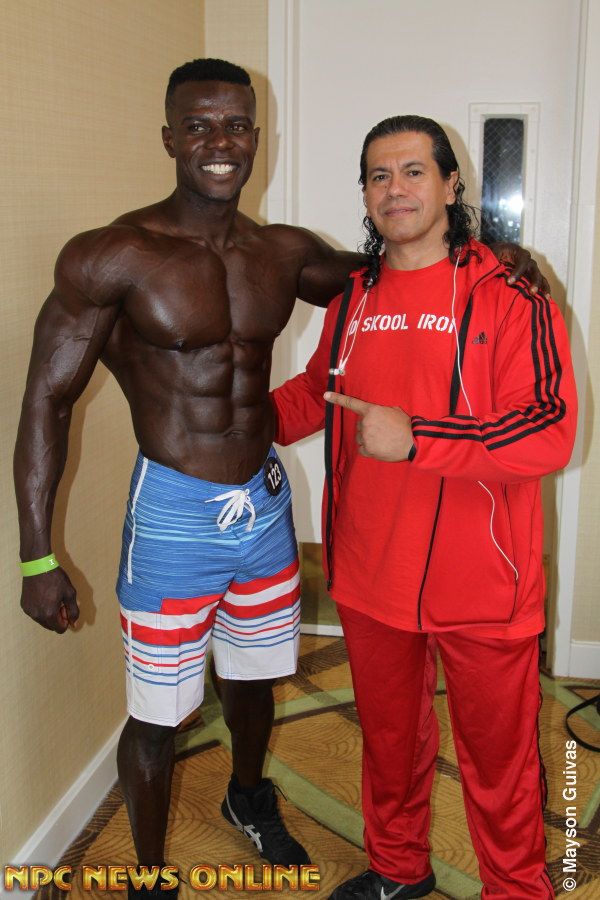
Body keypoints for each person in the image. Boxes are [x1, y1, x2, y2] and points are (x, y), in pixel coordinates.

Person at [13, 56, 546, 896]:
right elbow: (46, 399)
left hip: (263, 505)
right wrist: (37, 556)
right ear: (169, 138)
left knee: (255, 675)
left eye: (236, 125)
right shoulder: (113, 255)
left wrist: (491, 256)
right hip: (176, 507)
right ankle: (149, 876)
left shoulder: (284, 253)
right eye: (199, 126)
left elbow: (394, 271)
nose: (220, 143)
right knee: (158, 711)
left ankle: (248, 795)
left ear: (258, 137)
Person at [271, 115, 577, 899]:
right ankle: (398, 869)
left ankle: (518, 889)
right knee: (389, 743)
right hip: (372, 570)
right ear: (365, 195)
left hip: (484, 583)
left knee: (500, 761)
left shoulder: (511, 292)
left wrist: (420, 439)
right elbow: (317, 390)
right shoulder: (355, 296)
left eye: (413, 171)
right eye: (379, 175)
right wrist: (234, 423)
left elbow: (548, 430)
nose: (395, 189)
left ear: (449, 184)